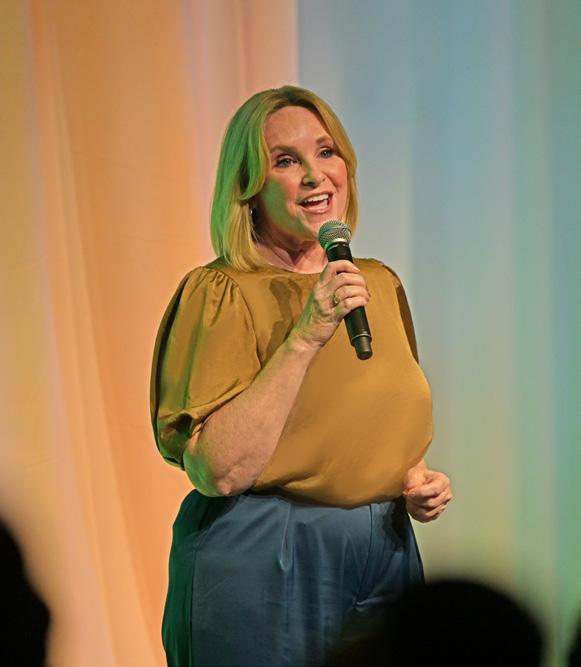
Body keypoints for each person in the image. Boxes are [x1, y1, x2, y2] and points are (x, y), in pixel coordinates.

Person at [150, 85, 453, 667]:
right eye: (286, 161)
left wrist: (413, 479)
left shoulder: (376, 283)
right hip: (264, 548)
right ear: (249, 187)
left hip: (385, 547)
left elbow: (367, 417)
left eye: (326, 152)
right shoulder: (220, 292)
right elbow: (218, 469)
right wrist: (307, 334)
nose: (316, 175)